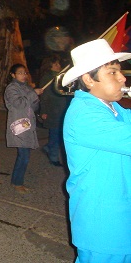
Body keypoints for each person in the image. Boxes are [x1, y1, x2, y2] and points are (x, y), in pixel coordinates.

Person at [61, 39, 131, 263]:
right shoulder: (84, 114)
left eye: (120, 71)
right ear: (88, 79)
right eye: (112, 72)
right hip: (104, 226)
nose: (122, 78)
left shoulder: (114, 108)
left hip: (121, 218)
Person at [4, 64, 43, 193]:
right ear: (13, 75)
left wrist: (36, 98)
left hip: (28, 125)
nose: (23, 75)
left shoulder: (26, 87)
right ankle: (17, 182)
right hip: (19, 125)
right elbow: (19, 103)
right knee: (23, 156)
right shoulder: (11, 88)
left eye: (25, 73)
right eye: (20, 73)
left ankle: (17, 181)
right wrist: (33, 94)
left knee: (25, 155)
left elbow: (34, 106)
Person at [38, 55, 70, 166]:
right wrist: (43, 111)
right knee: (55, 133)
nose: (58, 66)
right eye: (55, 64)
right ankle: (53, 156)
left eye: (58, 63)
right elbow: (44, 97)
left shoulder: (60, 77)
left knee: (59, 132)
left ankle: (48, 147)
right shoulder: (47, 79)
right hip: (52, 109)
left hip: (62, 108)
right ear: (50, 66)